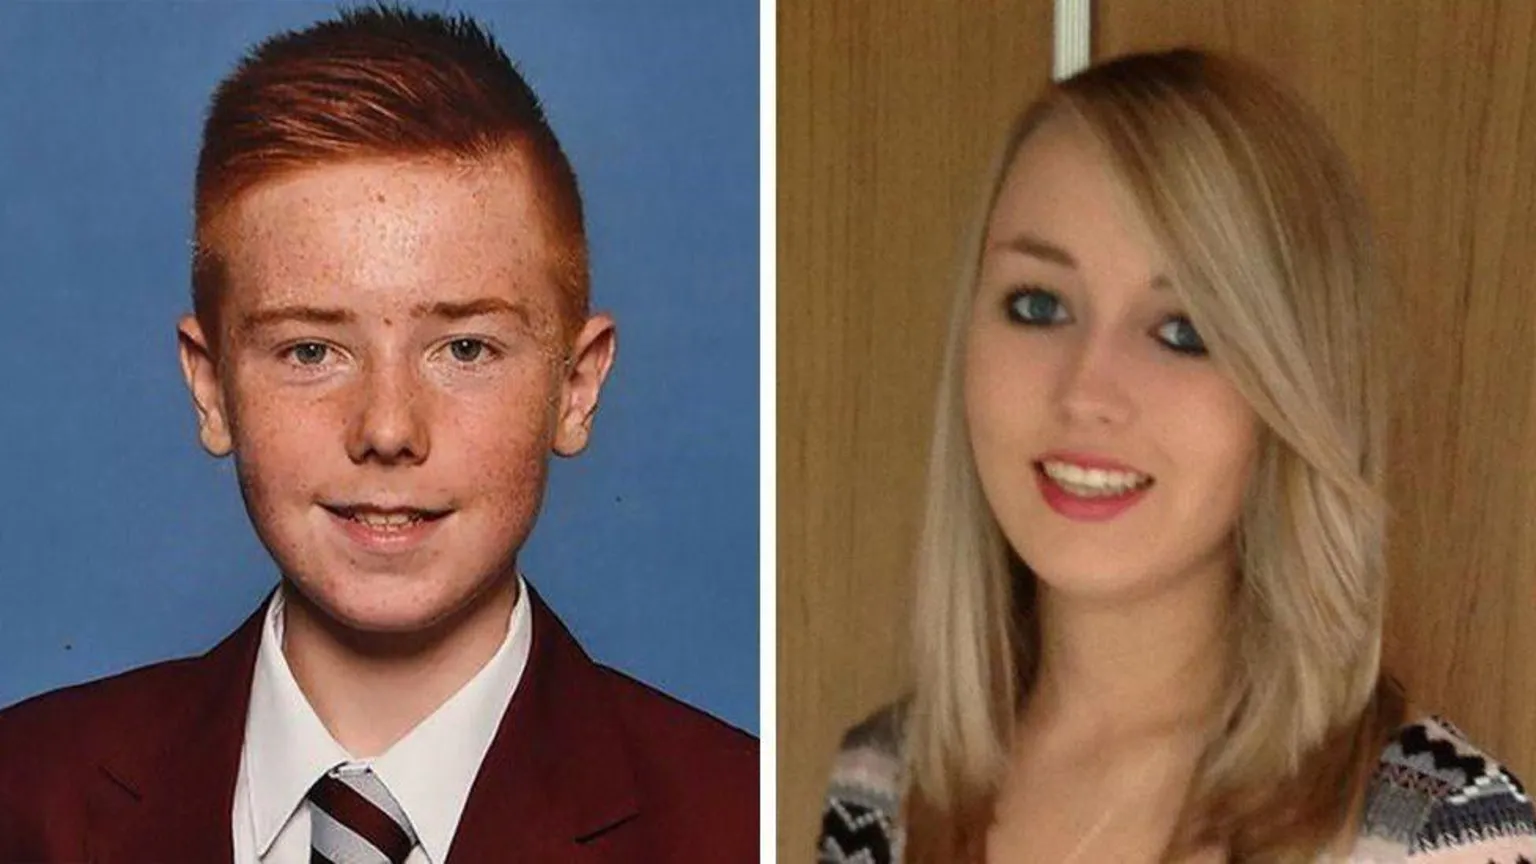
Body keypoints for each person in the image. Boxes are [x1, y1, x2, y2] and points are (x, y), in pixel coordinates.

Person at [0, 7, 756, 862]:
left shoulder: (744, 823)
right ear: (211, 389)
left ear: (575, 389)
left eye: (465, 349)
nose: (388, 429)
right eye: (311, 351)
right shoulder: (23, 798)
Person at [817, 50, 1534, 863]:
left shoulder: (1444, 835)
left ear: (1293, 385)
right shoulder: (878, 789)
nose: (1087, 390)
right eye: (1039, 304)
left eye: (1183, 330)